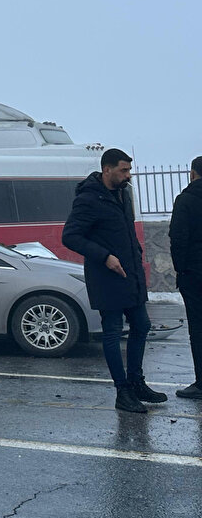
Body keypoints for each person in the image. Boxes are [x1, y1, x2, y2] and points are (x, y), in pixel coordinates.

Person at [63, 148, 167, 413]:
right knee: (112, 330)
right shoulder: (88, 199)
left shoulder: (123, 193)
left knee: (142, 325)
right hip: (106, 275)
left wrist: (136, 257)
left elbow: (127, 232)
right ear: (106, 169)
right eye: (123, 170)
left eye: (129, 170)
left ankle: (137, 383)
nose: (128, 175)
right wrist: (105, 256)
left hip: (129, 273)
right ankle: (122, 391)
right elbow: (71, 237)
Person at [169, 155, 202, 400]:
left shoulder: (186, 200)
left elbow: (178, 239)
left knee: (199, 328)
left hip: (195, 273)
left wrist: (181, 270)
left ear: (192, 174)